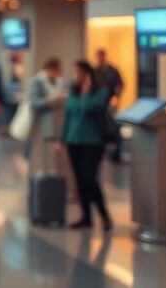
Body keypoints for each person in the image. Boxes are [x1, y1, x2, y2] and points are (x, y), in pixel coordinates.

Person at [62, 60, 112, 232]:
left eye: (77, 72)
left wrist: (86, 93)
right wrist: (63, 139)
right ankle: (86, 217)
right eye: (73, 72)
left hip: (93, 142)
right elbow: (68, 114)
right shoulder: (72, 91)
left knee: (88, 179)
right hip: (73, 141)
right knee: (79, 181)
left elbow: (91, 107)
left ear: (87, 74)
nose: (74, 76)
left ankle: (104, 216)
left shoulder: (100, 92)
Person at [94, 49, 124, 163]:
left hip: (110, 102)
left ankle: (116, 152)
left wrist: (116, 97)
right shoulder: (94, 71)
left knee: (114, 126)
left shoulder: (112, 70)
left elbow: (119, 84)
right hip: (99, 104)